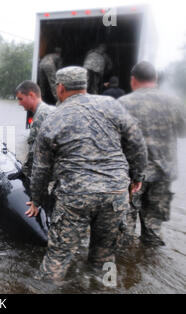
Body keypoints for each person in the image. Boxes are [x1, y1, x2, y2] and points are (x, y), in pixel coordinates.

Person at [27, 66, 147, 282]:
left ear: (60, 88)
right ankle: (105, 288)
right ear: (84, 85)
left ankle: (44, 288)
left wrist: (36, 200)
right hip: (115, 194)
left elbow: (41, 169)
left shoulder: (53, 118)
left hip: (75, 196)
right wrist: (137, 177)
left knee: (58, 257)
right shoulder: (112, 106)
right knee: (105, 257)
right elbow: (136, 143)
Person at [118, 61, 186, 246]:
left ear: (133, 80)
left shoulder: (123, 104)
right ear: (155, 79)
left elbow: (114, 139)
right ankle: (150, 261)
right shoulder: (174, 103)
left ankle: (127, 269)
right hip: (163, 174)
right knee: (153, 231)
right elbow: (182, 132)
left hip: (132, 176)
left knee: (125, 231)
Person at [15, 80, 55, 179]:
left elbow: (36, 150)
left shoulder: (42, 115)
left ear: (31, 95)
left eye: (21, 99)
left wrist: (24, 172)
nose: (19, 103)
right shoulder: (48, 111)